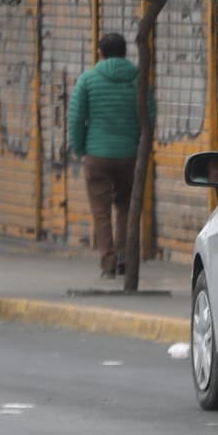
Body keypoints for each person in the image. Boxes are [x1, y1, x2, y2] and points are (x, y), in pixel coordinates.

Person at [65, 33, 143, 279]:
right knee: (125, 207)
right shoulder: (139, 79)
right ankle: (123, 256)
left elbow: (76, 118)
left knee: (101, 211)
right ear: (124, 53)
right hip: (130, 155)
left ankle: (108, 264)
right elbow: (148, 115)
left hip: (97, 155)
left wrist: (80, 148)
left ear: (100, 52)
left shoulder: (88, 80)